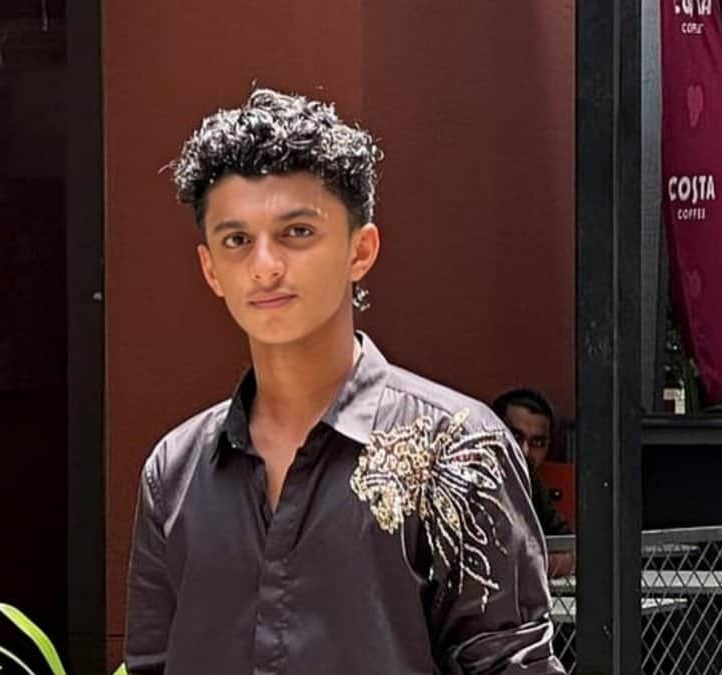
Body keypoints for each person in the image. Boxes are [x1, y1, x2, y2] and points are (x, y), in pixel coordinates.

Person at [124, 88, 564, 675]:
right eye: (236, 241)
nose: (264, 265)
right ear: (210, 269)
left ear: (361, 250)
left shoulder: (456, 449)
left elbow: (510, 665)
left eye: (297, 232)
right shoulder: (174, 473)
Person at [491, 388, 576, 578]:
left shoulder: (532, 483)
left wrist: (533, 565)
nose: (525, 451)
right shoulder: (475, 483)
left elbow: (570, 547)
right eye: (516, 437)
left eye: (538, 442)